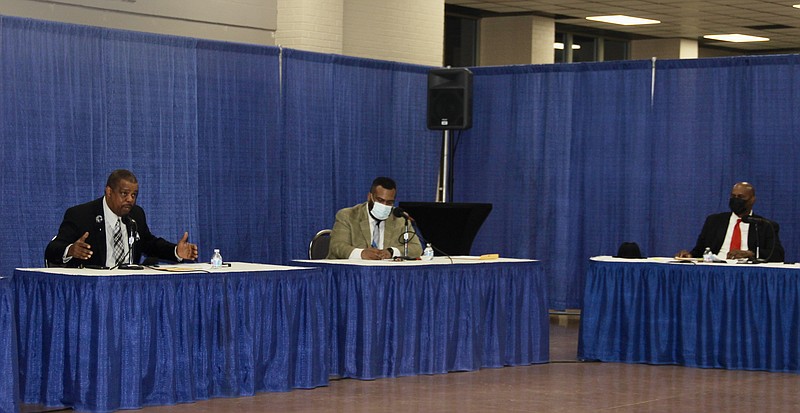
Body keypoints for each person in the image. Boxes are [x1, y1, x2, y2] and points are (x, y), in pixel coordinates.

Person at [45, 169, 199, 268]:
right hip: (94, 291)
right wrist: (70, 250)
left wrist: (175, 251)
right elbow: (52, 250)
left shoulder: (136, 215)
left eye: (134, 195)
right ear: (109, 192)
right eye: (124, 194)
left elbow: (150, 244)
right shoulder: (81, 215)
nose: (130, 200)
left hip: (130, 290)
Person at [677, 182, 784, 262]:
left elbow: (777, 255)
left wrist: (750, 254)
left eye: (741, 197)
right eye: (733, 196)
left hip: (747, 271)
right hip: (716, 268)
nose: (736, 200)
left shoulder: (764, 225)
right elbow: (699, 251)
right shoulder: (714, 221)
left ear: (752, 200)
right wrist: (689, 255)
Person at [327, 177, 422, 260]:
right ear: (370, 197)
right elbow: (337, 246)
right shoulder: (348, 216)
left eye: (389, 202)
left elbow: (417, 248)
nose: (384, 205)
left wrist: (392, 252)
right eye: (380, 200)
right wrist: (361, 254)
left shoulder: (399, 219)